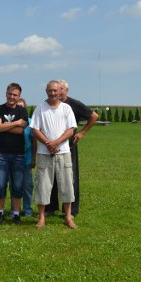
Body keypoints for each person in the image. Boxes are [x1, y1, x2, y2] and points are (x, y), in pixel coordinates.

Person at [45, 79, 99, 217]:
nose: (58, 91)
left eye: (61, 88)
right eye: (56, 88)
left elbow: (94, 116)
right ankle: (50, 208)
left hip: (68, 146)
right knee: (51, 176)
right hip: (50, 146)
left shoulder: (74, 104)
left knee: (70, 178)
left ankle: (70, 211)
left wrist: (82, 132)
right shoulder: (49, 103)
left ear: (66, 90)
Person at [30, 80, 78, 229]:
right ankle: (41, 218)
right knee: (43, 186)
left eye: (55, 91)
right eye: (50, 91)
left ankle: (68, 217)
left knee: (66, 185)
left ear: (60, 92)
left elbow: (71, 130)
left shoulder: (66, 109)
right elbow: (35, 129)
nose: (52, 93)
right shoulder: (40, 108)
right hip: (44, 154)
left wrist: (55, 143)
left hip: (63, 153)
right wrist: (48, 143)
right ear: (46, 91)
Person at [0, 82, 28, 225]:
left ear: (19, 97)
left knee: (17, 185)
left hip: (18, 153)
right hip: (1, 153)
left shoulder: (22, 111)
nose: (12, 97)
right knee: (0, 184)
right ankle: (0, 212)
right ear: (6, 93)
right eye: (10, 94)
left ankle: (16, 214)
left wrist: (2, 127)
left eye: (15, 95)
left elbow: (20, 130)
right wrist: (15, 123)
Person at [17, 98, 35, 217]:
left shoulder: (31, 122)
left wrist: (33, 158)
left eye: (22, 106)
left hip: (26, 157)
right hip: (13, 157)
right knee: (15, 185)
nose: (20, 108)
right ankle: (15, 210)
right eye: (18, 106)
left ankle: (28, 209)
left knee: (28, 184)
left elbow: (34, 141)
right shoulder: (10, 121)